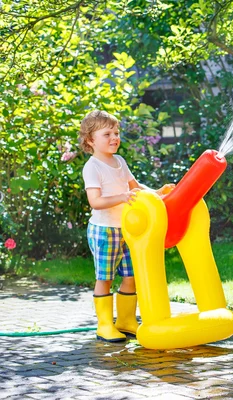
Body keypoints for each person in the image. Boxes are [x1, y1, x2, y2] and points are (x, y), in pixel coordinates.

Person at [78, 110, 174, 342]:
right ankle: (104, 325)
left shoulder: (119, 161)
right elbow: (95, 201)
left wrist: (157, 193)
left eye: (116, 133)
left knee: (131, 276)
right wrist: (122, 197)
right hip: (104, 231)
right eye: (107, 134)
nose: (114, 138)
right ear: (90, 140)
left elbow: (135, 186)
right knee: (106, 278)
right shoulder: (93, 167)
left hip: (129, 230)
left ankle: (126, 320)